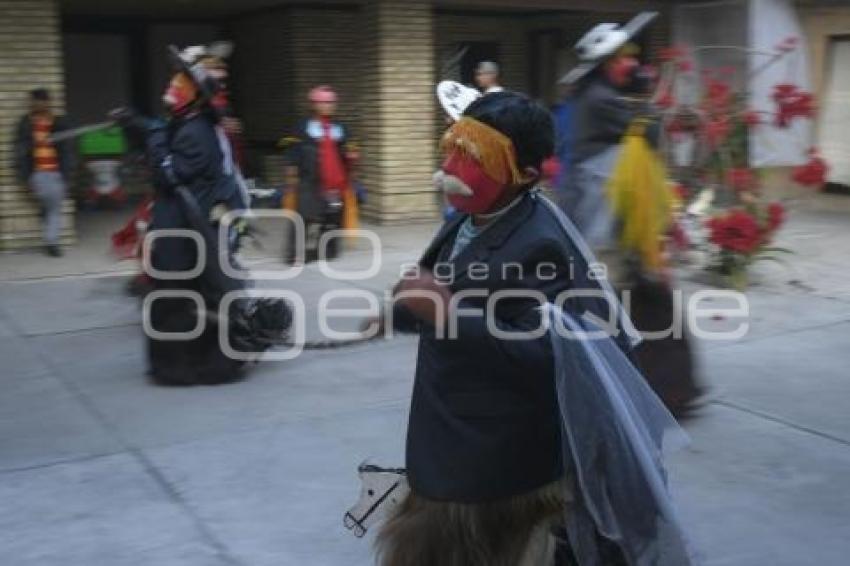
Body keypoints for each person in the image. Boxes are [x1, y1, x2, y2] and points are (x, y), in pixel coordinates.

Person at [372, 91, 694, 566]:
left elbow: (549, 352)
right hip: (448, 431)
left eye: (474, 156)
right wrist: (403, 309)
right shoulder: (471, 216)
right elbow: (442, 286)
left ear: (524, 173)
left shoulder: (539, 243)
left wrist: (446, 313)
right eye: (453, 148)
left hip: (493, 460)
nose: (453, 166)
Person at [115, 47, 290, 386]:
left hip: (186, 238)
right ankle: (189, 364)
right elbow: (162, 143)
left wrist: (150, 135)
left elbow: (169, 172)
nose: (174, 84)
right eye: (176, 77)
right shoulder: (186, 124)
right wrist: (136, 125)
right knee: (184, 301)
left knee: (180, 303)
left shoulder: (197, 132)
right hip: (180, 234)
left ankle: (188, 367)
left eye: (182, 80)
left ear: (195, 95)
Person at [559, 14, 704, 418]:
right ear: (607, 63)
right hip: (607, 222)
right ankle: (645, 392)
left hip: (613, 217)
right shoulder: (601, 101)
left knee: (641, 304)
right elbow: (649, 135)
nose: (632, 64)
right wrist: (650, 100)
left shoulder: (589, 97)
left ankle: (665, 391)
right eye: (625, 58)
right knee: (619, 307)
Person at [281, 86, 358, 263]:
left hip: (335, 181)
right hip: (309, 179)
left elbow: (351, 147)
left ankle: (327, 250)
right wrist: (291, 174)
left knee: (332, 217)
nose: (328, 106)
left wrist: (352, 157)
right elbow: (292, 150)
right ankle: (294, 254)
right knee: (304, 216)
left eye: (331, 102)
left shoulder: (341, 128)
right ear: (314, 104)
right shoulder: (302, 126)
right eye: (323, 102)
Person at [14, 88, 74, 257]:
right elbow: (19, 151)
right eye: (31, 101)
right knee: (50, 206)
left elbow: (68, 150)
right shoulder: (26, 124)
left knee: (53, 208)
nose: (31, 104)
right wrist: (24, 177)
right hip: (37, 174)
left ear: (46, 102)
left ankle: (52, 243)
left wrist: (67, 175)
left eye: (35, 101)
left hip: (56, 173)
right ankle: (50, 234)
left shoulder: (59, 122)